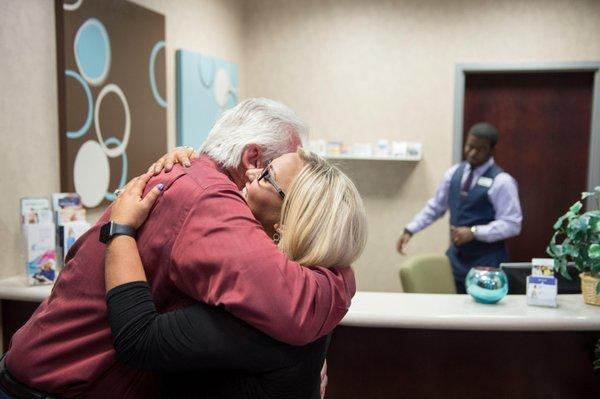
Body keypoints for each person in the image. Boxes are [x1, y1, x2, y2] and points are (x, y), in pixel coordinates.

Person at [2, 99, 357, 399]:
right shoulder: (208, 199)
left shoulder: (191, 180)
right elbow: (297, 304)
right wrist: (341, 274)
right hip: (54, 388)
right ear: (253, 158)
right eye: (270, 169)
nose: (257, 179)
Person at [103, 147, 367, 398]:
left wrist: (121, 229)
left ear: (287, 222)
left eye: (266, 176)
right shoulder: (320, 286)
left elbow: (138, 339)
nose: (251, 173)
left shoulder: (268, 302)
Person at [396, 122, 522, 293]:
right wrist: (410, 229)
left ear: (492, 150)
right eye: (469, 146)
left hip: (487, 262)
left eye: (480, 149)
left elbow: (512, 224)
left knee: (481, 315)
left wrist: (474, 232)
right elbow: (436, 207)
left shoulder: (502, 182)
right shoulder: (453, 174)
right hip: (456, 260)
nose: (472, 152)